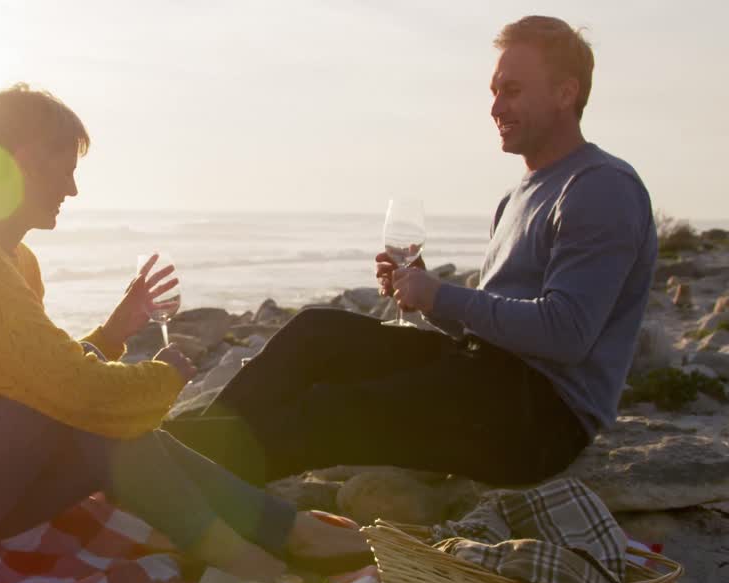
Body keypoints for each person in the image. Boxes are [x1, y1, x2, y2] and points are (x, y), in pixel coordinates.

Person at [0, 84, 369, 580]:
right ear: (29, 160)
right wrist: (162, 378)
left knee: (99, 414)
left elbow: (33, 381)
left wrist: (112, 333)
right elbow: (68, 392)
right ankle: (241, 544)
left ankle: (282, 530)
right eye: (67, 171)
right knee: (95, 410)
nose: (72, 190)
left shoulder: (16, 260)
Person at [166, 16, 657, 488]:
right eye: (494, 91)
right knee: (316, 332)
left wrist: (441, 296)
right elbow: (497, 324)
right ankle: (164, 462)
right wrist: (424, 295)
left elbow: (566, 334)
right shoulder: (519, 195)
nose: (495, 108)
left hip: (541, 419)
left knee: (331, 410)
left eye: (512, 90)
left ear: (565, 93)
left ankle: (150, 472)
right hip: (490, 374)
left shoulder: (599, 189)